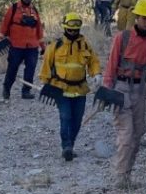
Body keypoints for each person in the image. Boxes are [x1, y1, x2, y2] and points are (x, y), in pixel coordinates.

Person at [103, 0, 146, 188]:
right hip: (120, 88)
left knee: (138, 133)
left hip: (139, 90)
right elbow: (111, 66)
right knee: (126, 135)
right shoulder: (122, 38)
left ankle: (127, 174)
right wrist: (106, 91)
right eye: (144, 18)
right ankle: (120, 177)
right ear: (137, 17)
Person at [40, 13, 101, 161]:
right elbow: (46, 65)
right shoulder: (56, 45)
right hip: (61, 88)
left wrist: (96, 74)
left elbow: (93, 61)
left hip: (80, 89)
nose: (73, 33)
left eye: (76, 30)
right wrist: (46, 83)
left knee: (77, 119)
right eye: (70, 30)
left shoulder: (85, 44)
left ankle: (71, 145)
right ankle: (66, 146)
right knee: (65, 117)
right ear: (65, 28)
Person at [0, 0, 44, 100]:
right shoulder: (13, 8)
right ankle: (6, 89)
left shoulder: (34, 10)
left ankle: (26, 91)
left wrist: (43, 46)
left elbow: (39, 30)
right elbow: (4, 25)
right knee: (12, 68)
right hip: (16, 46)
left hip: (32, 46)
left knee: (31, 68)